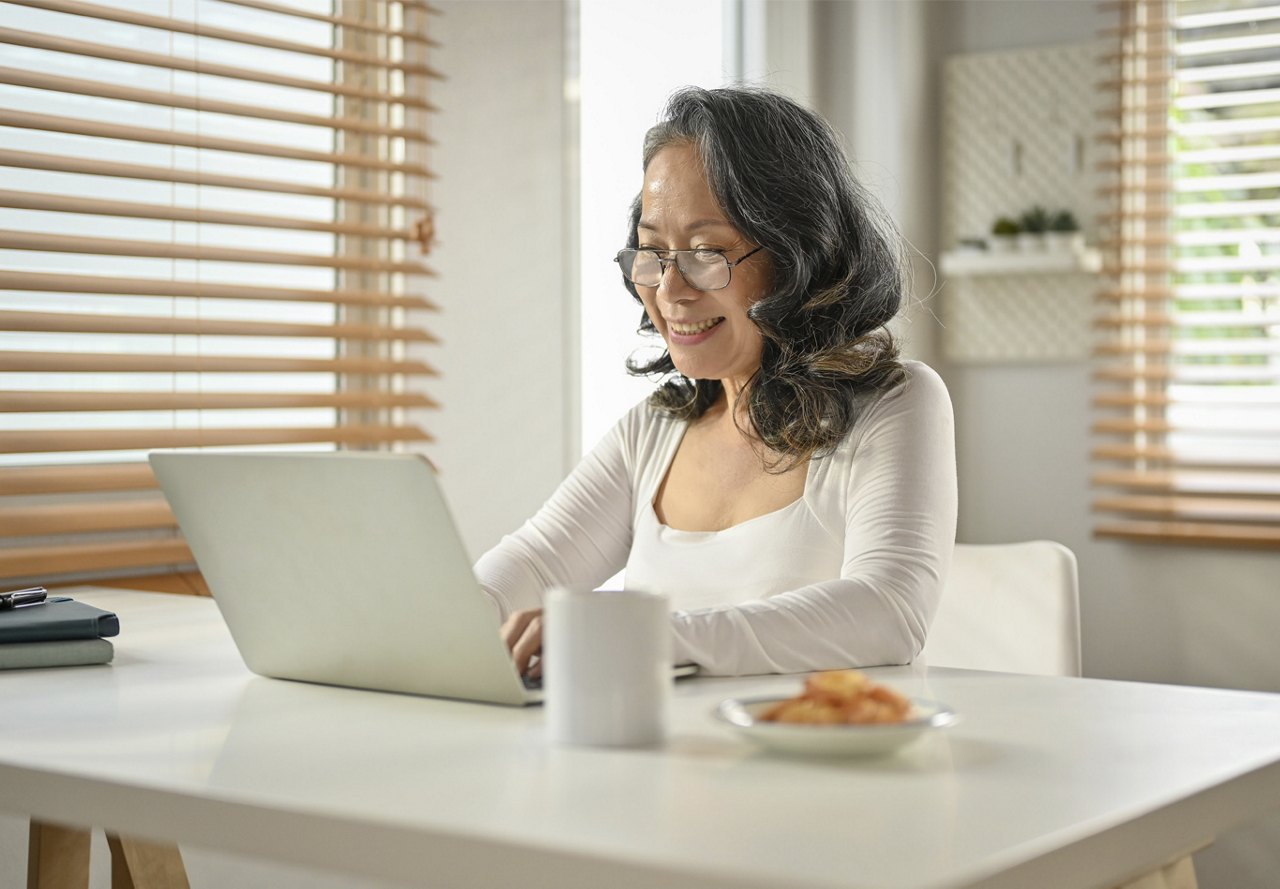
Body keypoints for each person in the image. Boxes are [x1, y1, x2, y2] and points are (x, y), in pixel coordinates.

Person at [477, 85, 956, 678]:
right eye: (652, 251)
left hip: (824, 760)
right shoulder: (652, 431)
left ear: (798, 253)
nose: (671, 290)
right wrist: (445, 618)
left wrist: (643, 637)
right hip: (669, 765)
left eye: (706, 251)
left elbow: (889, 613)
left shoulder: (895, 404)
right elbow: (535, 566)